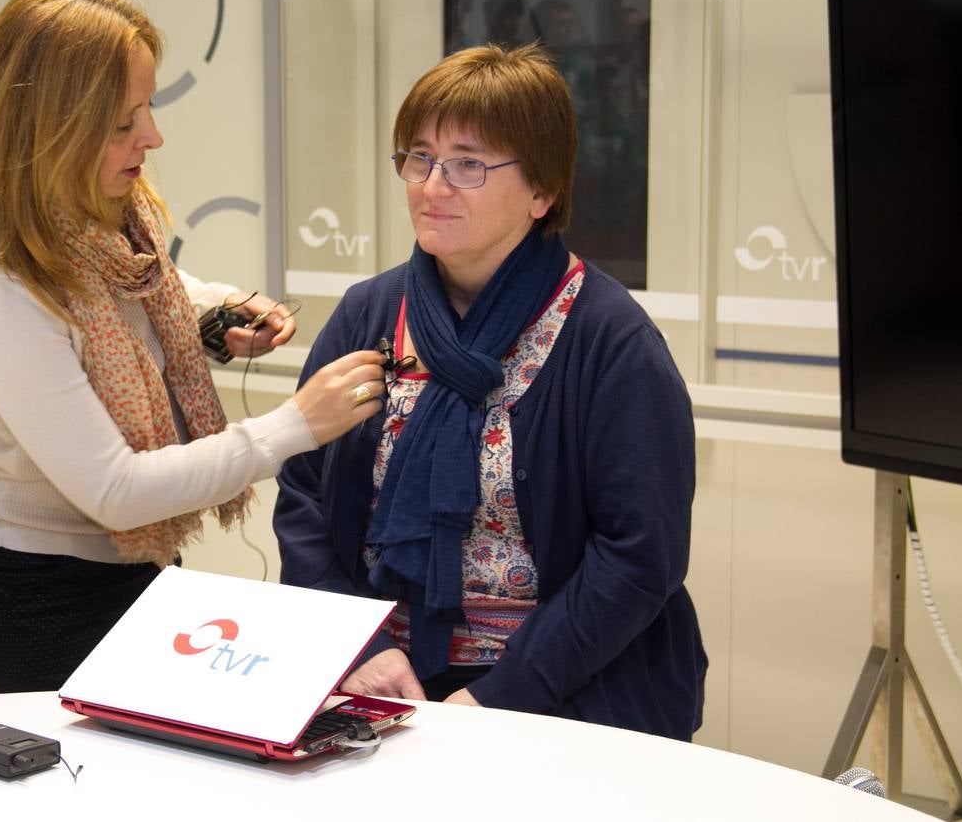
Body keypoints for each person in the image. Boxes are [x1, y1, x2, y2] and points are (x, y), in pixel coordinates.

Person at [0, 0, 386, 694]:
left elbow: (133, 302)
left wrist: (210, 310)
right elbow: (116, 489)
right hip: (40, 591)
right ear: (49, 130)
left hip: (137, 566)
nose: (153, 136)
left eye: (147, 106)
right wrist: (292, 428)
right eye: (122, 122)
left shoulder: (109, 214)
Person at [273, 43, 707, 739]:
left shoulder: (609, 340)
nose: (432, 184)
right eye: (419, 157)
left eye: (468, 163)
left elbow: (639, 554)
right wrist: (361, 647)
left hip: (566, 689)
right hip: (386, 681)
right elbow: (304, 495)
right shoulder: (369, 314)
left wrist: (502, 696)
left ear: (541, 191)